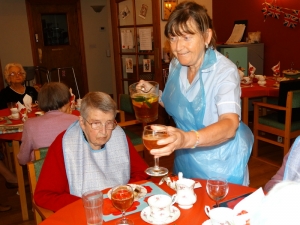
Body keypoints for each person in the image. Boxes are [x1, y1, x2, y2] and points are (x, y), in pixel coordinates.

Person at [138, 1, 253, 185]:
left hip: (221, 166)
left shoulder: (224, 71)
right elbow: (178, 104)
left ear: (206, 36)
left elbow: (230, 124)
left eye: (186, 37)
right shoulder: (177, 65)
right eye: (173, 38)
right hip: (186, 159)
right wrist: (154, 93)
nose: (178, 47)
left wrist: (185, 138)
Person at [34, 92, 149, 212]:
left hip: (121, 206)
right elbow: (44, 196)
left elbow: (141, 173)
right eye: (96, 123)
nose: (104, 132)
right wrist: (91, 204)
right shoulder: (64, 143)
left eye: (109, 123)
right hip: (85, 211)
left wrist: (124, 194)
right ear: (82, 122)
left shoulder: (118, 135)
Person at [17, 82, 79, 165]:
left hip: (43, 173)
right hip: (71, 173)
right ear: (67, 101)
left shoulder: (30, 124)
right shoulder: (76, 121)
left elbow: (23, 160)